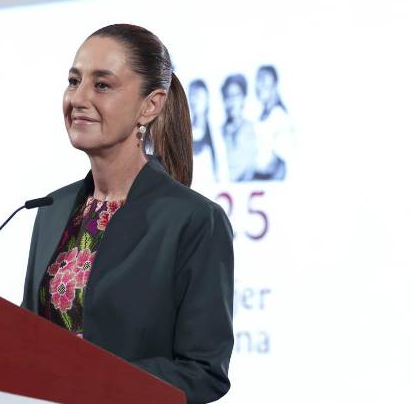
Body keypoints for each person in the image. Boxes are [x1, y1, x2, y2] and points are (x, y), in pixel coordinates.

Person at [20, 24, 234, 404]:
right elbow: (27, 336)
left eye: (102, 85)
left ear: (150, 105)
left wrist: (91, 378)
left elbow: (203, 373)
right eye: (74, 81)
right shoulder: (50, 210)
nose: (78, 98)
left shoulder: (195, 220)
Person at [253, 65, 292, 180]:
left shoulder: (279, 117)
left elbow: (281, 164)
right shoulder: (262, 117)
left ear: (274, 84)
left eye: (263, 80)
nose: (259, 86)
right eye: (258, 81)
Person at [220, 74, 257, 182]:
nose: (232, 100)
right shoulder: (219, 132)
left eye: (236, 95)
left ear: (243, 97)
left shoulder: (251, 129)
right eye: (228, 96)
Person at [188, 79, 219, 184]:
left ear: (207, 100)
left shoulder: (216, 133)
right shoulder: (183, 133)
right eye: (193, 96)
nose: (196, 101)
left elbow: (221, 167)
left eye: (200, 97)